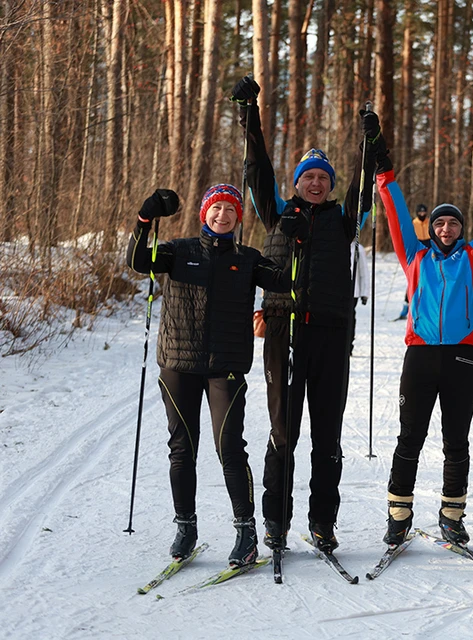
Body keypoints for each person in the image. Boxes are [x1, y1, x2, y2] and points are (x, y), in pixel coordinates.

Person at [230, 76, 374, 553]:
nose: (316, 183)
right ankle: (276, 522)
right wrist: (250, 113)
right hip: (283, 334)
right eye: (308, 177)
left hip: (332, 337)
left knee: (327, 437)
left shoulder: (344, 220)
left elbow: (365, 185)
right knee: (282, 434)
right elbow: (256, 170)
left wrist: (369, 144)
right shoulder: (276, 214)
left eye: (323, 178)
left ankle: (322, 523)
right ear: (297, 183)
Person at [126, 184, 289, 567]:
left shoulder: (248, 259)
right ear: (205, 213)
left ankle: (246, 531)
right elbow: (137, 260)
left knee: (229, 448)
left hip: (225, 368)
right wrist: (145, 218)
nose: (222, 216)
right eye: (216, 209)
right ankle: (185, 527)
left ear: (238, 218)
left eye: (230, 210)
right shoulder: (178, 251)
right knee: (182, 449)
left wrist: (291, 239)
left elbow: (285, 281)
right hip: (178, 365)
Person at [374, 122, 473, 546]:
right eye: (441, 223)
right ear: (431, 228)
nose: (446, 228)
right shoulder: (416, 256)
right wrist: (384, 174)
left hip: (464, 357)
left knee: (456, 439)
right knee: (410, 435)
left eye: (453, 224)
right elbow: (394, 214)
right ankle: (399, 512)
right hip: (422, 356)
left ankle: (452, 514)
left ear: (462, 229)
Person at [396, 204, 431, 321]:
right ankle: (406, 307)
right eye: (420, 213)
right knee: (413, 280)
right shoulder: (413, 223)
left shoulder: (429, 222)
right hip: (417, 252)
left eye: (424, 212)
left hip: (429, 252)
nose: (422, 214)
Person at [349, 238, 370, 356]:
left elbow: (363, 272)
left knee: (350, 318)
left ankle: (349, 345)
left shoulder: (358, 249)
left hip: (353, 292)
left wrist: (364, 293)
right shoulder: (337, 244)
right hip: (337, 291)